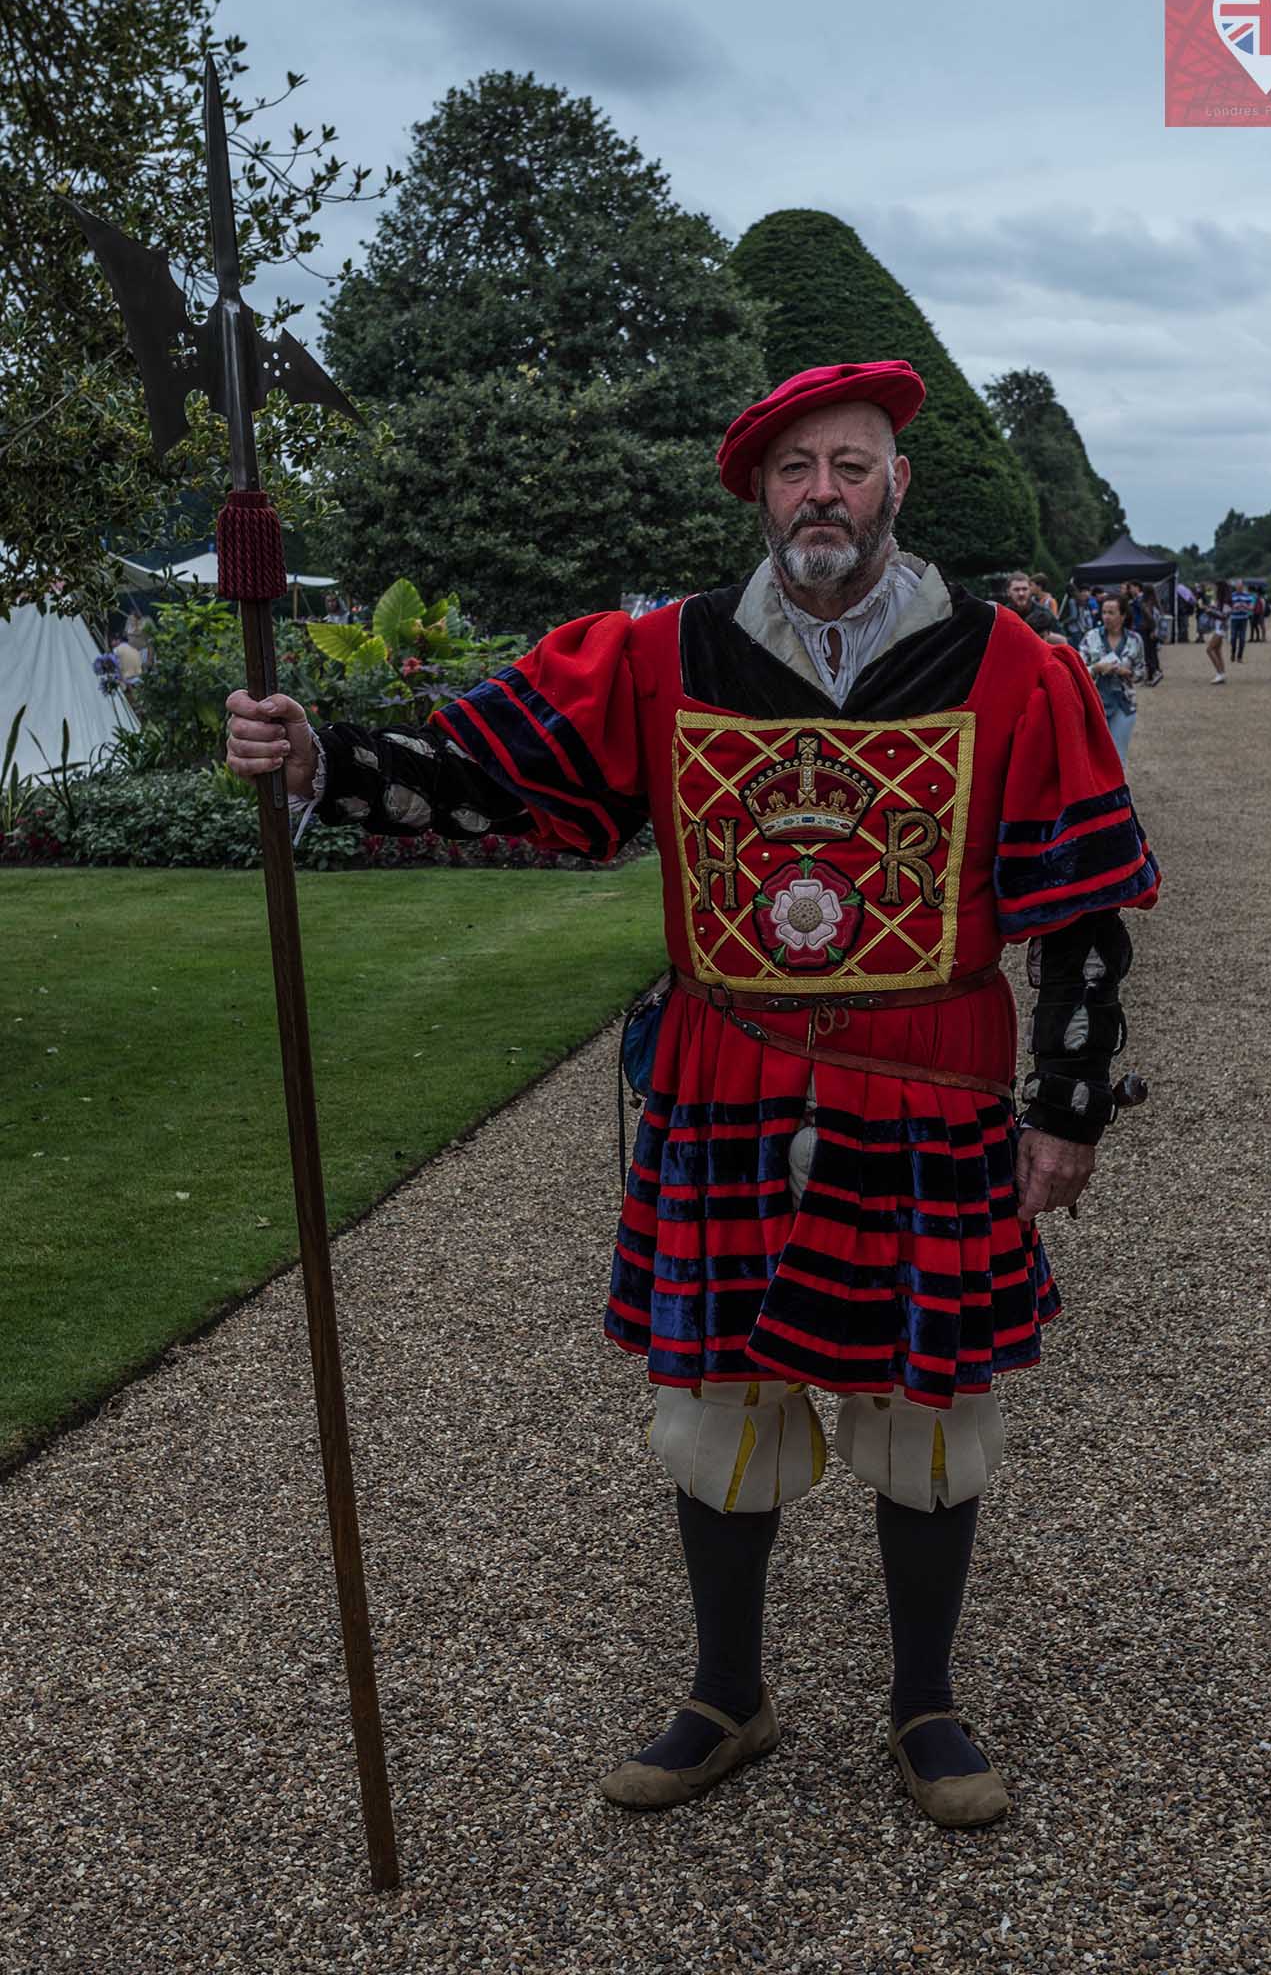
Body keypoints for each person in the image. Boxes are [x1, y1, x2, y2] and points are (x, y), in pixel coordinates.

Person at [226, 361, 1158, 1831]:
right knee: (719, 1397)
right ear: (758, 494)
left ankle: (926, 1702)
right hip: (723, 1084)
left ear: (897, 485)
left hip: (929, 1086)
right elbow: (492, 771)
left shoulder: (1009, 665)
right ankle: (730, 1691)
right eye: (796, 471)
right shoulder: (666, 655)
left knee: (929, 1404)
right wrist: (320, 759)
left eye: (851, 466)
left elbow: (1085, 907)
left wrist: (1069, 1103)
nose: (824, 495)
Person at [1079, 595, 1145, 769]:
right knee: (1094, 757)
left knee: (1117, 757)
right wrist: (1096, 668)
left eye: (1111, 612)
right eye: (1104, 612)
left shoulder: (1135, 640)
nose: (1106, 616)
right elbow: (1077, 670)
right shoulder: (1090, 637)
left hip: (1124, 704)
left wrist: (1128, 673)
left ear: (1122, 616)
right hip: (1094, 704)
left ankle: (1117, 795)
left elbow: (1142, 672)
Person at [1004, 571, 1065, 643]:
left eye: (1024, 589)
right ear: (1008, 592)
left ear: (1030, 590)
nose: (1021, 593)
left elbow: (1064, 640)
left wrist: (1042, 634)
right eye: (1016, 589)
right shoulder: (1002, 615)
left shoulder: (1044, 612)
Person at [1206, 582, 1229, 684]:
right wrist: (1211, 609)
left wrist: (1211, 612)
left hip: (1221, 628)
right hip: (1219, 627)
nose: (1214, 590)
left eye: (1216, 588)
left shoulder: (1227, 601)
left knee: (1209, 649)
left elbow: (1224, 616)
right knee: (1217, 650)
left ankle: (1220, 673)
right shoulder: (1221, 600)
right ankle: (1222, 673)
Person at [1226, 578, 1253, 664]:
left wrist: (1245, 606)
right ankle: (1233, 652)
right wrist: (1235, 606)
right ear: (1236, 587)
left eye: (1241, 586)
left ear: (1243, 586)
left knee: (1242, 639)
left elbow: (1252, 608)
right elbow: (1228, 608)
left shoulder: (1247, 595)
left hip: (1243, 619)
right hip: (1234, 619)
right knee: (1233, 638)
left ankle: (1240, 656)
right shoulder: (1231, 595)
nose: (1239, 588)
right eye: (1238, 586)